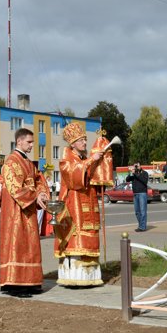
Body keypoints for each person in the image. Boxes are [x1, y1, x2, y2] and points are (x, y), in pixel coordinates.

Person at [54, 123, 104, 287]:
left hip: (89, 199)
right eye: (81, 140)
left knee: (91, 230)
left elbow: (91, 175)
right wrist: (91, 160)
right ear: (73, 143)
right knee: (77, 235)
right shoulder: (66, 160)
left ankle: (90, 276)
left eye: (85, 139)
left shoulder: (83, 158)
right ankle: (74, 276)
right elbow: (74, 179)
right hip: (74, 203)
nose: (84, 143)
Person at [0, 128, 49, 297]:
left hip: (29, 210)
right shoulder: (11, 162)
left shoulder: (28, 162)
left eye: (32, 142)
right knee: (18, 245)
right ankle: (14, 284)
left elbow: (39, 179)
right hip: (16, 212)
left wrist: (42, 192)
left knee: (30, 245)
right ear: (19, 141)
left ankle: (31, 281)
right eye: (29, 142)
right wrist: (35, 196)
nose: (31, 145)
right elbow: (15, 188)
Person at [126, 162, 149, 232]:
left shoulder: (144, 173)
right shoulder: (133, 174)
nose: (136, 167)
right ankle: (141, 225)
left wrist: (135, 173)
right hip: (135, 194)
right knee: (137, 212)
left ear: (140, 166)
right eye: (135, 166)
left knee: (143, 211)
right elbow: (127, 179)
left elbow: (144, 181)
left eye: (137, 166)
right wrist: (131, 172)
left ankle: (142, 227)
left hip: (142, 193)